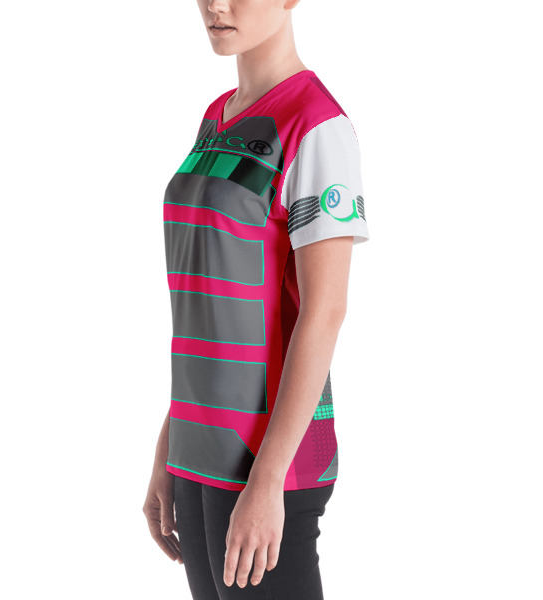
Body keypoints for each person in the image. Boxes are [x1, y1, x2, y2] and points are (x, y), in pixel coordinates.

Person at [143, 1, 370, 598]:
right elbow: (210, 312)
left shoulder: (317, 127)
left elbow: (325, 311)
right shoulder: (216, 118)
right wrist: (170, 447)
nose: (216, 4)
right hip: (199, 453)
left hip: (269, 463)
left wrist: (268, 481)